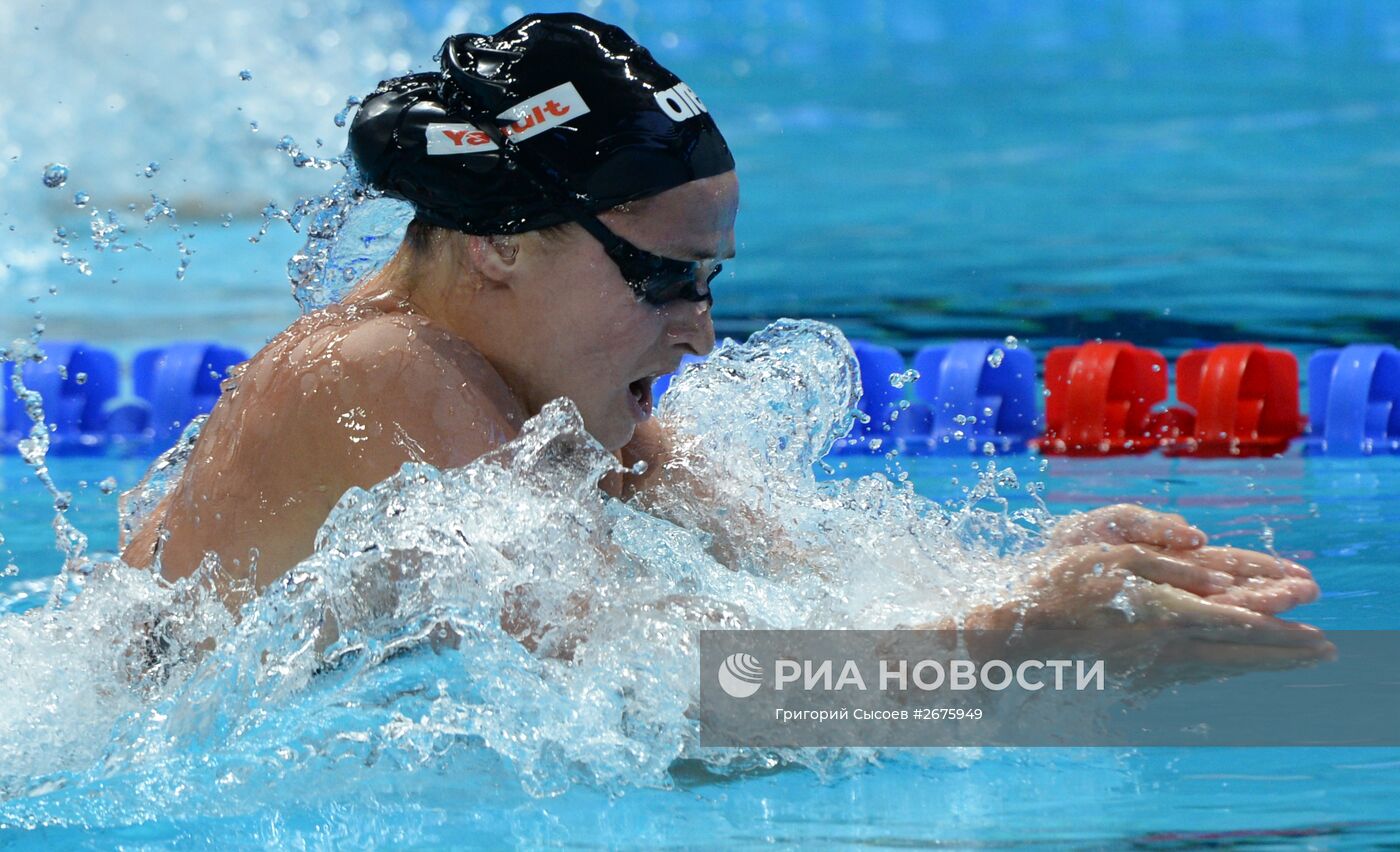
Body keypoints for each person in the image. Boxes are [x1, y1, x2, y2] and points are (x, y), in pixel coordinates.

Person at [120, 13, 1325, 666]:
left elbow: (799, 596)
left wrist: (1042, 588)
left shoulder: (556, 405)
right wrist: (1005, 644)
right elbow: (655, 706)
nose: (698, 333)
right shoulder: (372, 372)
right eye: (660, 277)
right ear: (498, 243)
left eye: (707, 281)